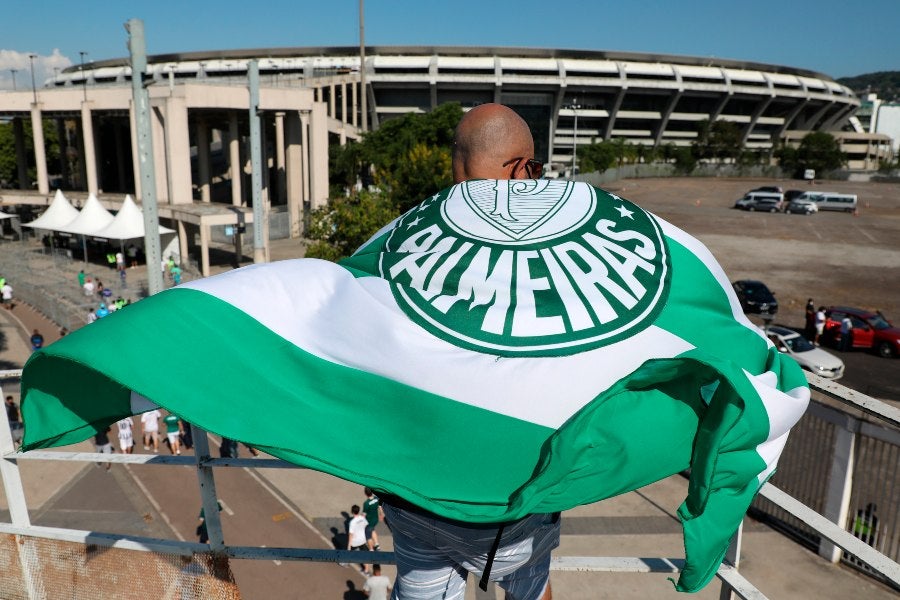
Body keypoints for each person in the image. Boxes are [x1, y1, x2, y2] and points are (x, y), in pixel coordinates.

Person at [380, 104, 559, 600]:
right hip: (514, 512)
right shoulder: (548, 256)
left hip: (416, 499)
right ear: (521, 168)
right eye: (536, 169)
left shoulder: (395, 244)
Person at [347, 504, 371, 576]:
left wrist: (349, 545)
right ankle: (366, 570)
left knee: (348, 553)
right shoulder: (362, 518)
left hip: (354, 542)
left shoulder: (352, 522)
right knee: (364, 555)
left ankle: (345, 562)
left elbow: (351, 534)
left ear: (352, 512)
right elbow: (366, 525)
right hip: (362, 540)